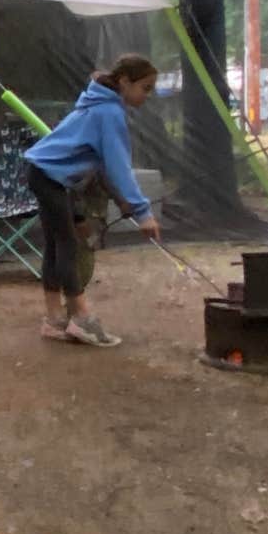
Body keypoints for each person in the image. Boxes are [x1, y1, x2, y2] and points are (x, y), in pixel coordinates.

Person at [23, 53, 162, 348]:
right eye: (145, 88)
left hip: (42, 173)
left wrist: (124, 201)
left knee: (56, 244)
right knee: (68, 245)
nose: (147, 95)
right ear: (124, 82)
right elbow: (119, 165)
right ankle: (81, 319)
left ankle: (54, 318)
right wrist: (143, 212)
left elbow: (102, 164)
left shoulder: (98, 105)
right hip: (49, 177)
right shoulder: (109, 113)